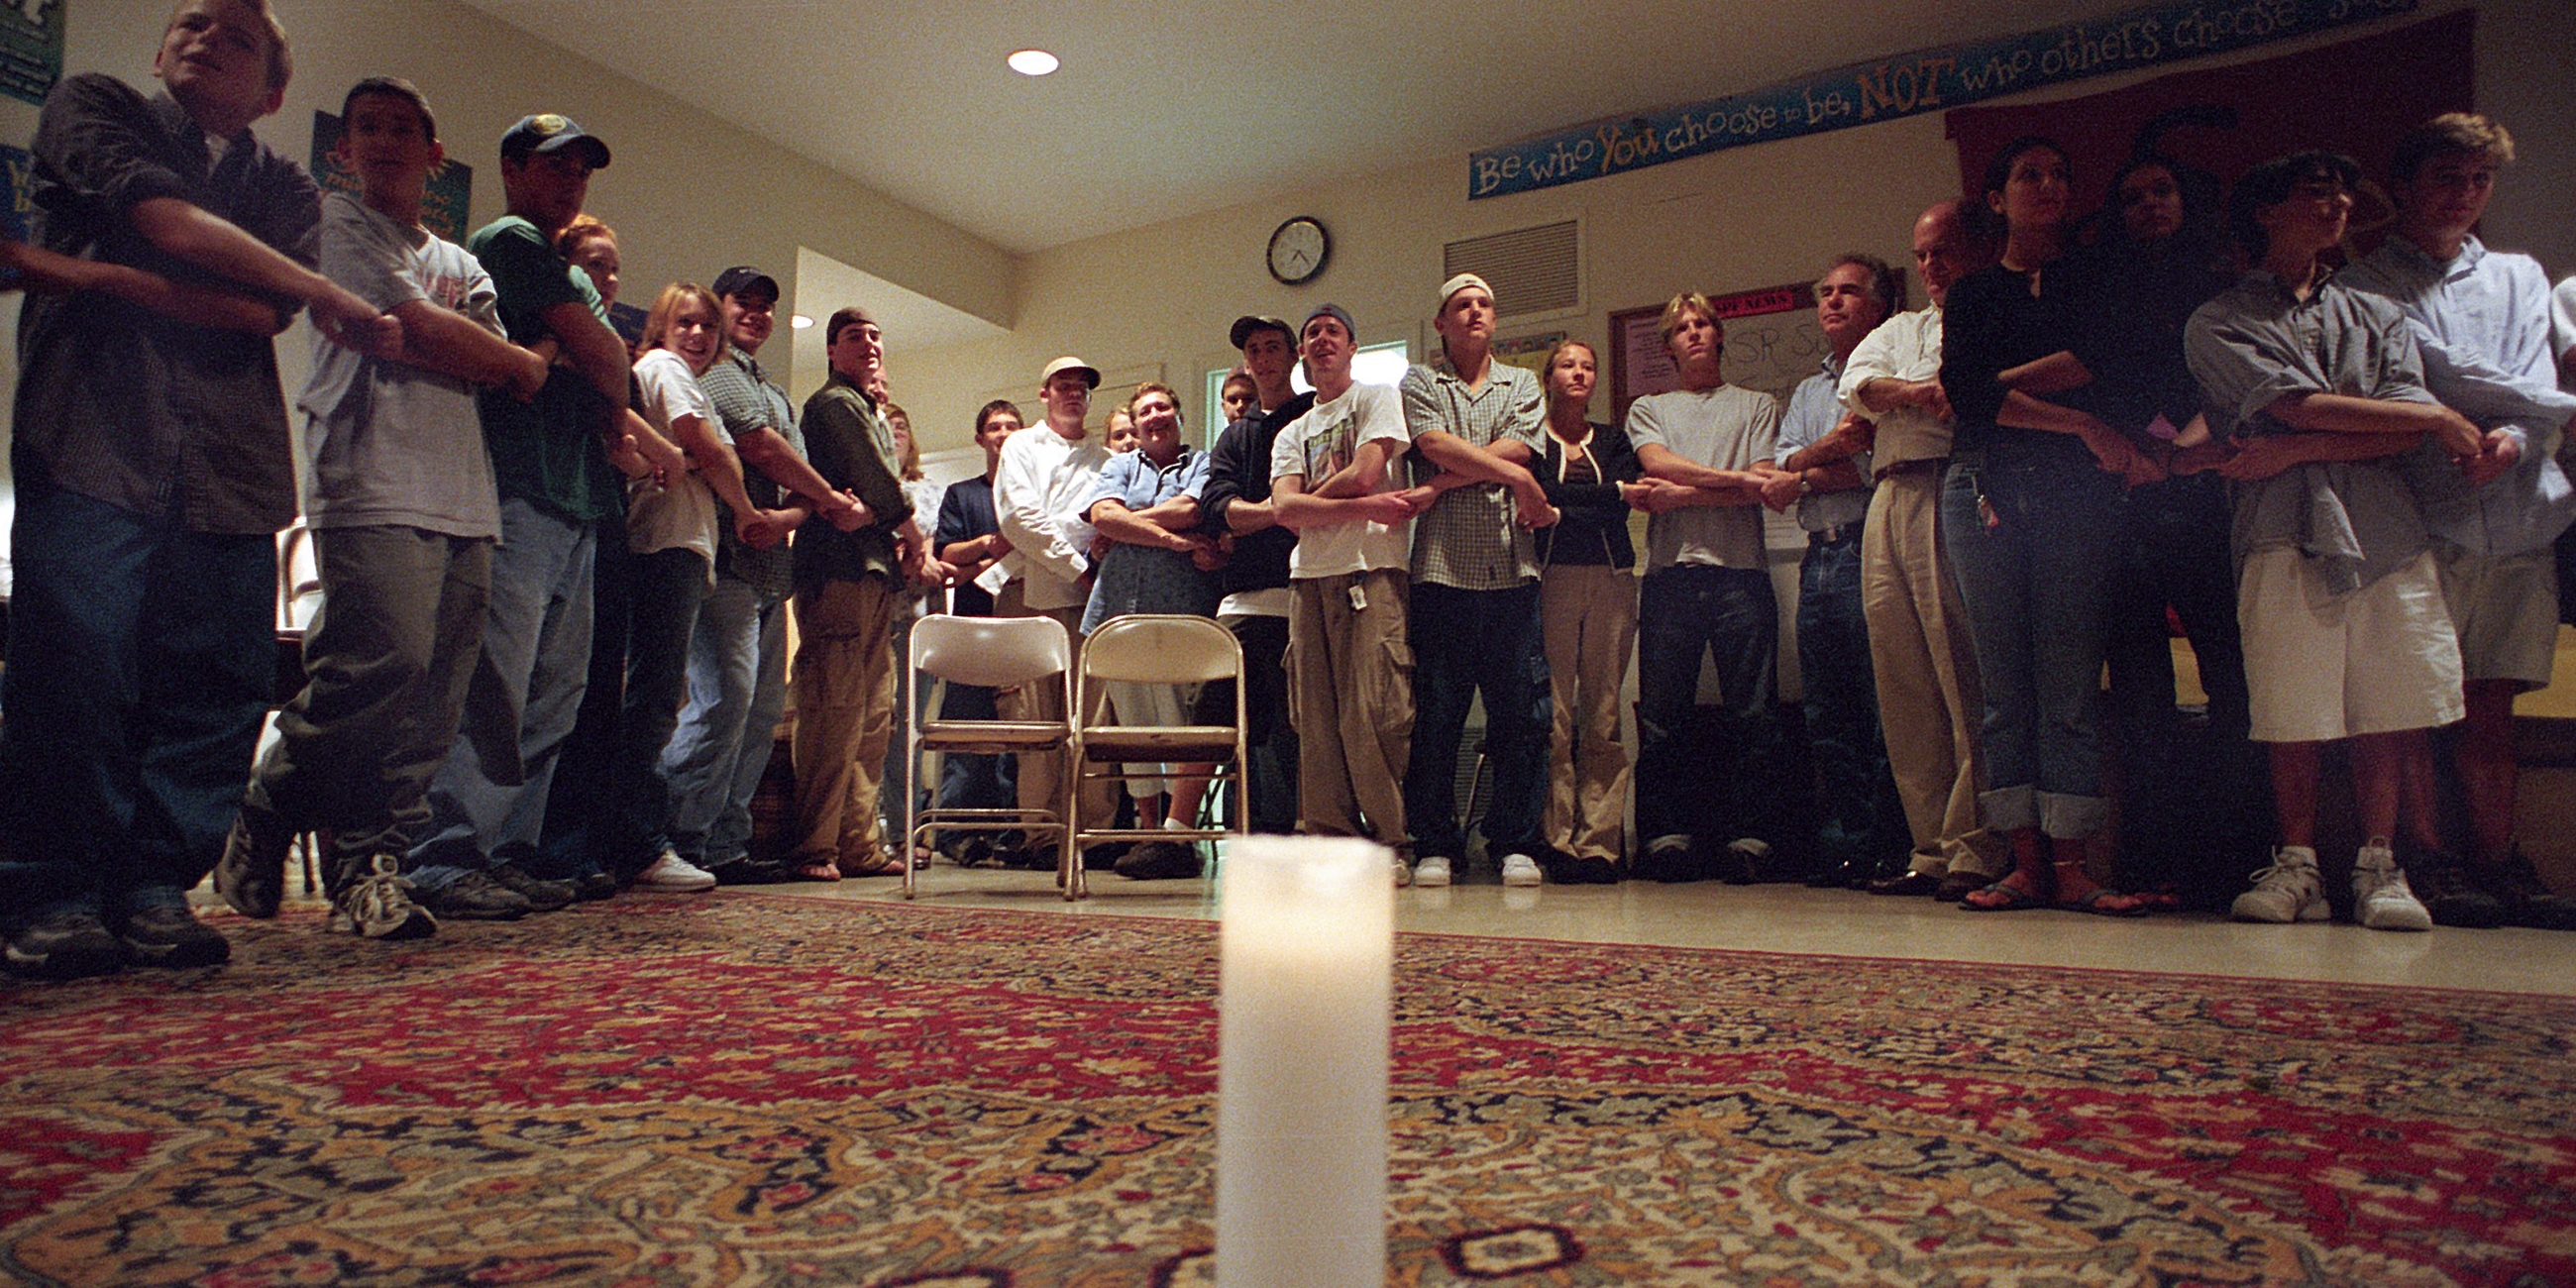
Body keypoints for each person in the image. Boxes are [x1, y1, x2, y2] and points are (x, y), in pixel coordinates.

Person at [1, 0, 401, 977]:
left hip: (228, 461)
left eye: (239, 33)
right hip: (93, 432)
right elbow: (169, 224)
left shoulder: (282, 185)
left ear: (269, 92)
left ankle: (151, 888)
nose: (208, 33)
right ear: (158, 49)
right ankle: (53, 892)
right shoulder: (91, 107)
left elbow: (252, 314)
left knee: (215, 683)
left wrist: (89, 275)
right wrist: (316, 292)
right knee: (78, 669)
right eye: (192, 21)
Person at [213, 74, 548, 942]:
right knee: (375, 669)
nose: (387, 141)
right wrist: (448, 336)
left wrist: (458, 340)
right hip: (367, 477)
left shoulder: (461, 262)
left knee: (435, 700)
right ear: (344, 148)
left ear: (435, 154)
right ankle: (268, 800)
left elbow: (505, 364)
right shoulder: (338, 222)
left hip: (465, 497)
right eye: (370, 128)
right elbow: (411, 326)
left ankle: (373, 868)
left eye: (405, 128)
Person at [2186, 150, 2479, 931]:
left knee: (2387, 702)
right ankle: (2299, 865)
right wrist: (2434, 418)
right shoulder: (2218, 321)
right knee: (2293, 702)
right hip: (2283, 531)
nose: (2337, 204)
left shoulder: (2378, 315)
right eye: (2316, 194)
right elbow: (2296, 408)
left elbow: (2388, 435)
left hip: (2386, 531)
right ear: (2264, 212)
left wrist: (2313, 444)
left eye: (2343, 193)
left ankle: (2379, 865)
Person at [405, 112, 684, 918]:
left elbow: (604, 380)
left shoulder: (557, 269)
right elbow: (608, 362)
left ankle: (509, 850)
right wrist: (587, 350)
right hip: (519, 489)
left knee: (555, 692)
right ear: (512, 168)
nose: (571, 182)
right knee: (498, 681)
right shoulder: (512, 241)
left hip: (573, 499)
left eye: (581, 172)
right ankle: (445, 855)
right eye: (555, 166)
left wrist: (586, 363)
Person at [2343, 114, 2576, 931]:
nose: (2465, 195)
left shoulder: (2519, 275)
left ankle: (2498, 860)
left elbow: (2525, 373)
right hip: (2424, 512)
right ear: (2403, 184)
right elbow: (2438, 374)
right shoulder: (2365, 284)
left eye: (2480, 181)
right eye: (2448, 176)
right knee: (2415, 698)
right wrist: (2542, 410)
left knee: (2491, 698)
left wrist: (2515, 433)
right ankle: (2428, 857)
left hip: (2520, 514)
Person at [1937, 137, 2149, 915]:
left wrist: (2003, 391)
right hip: (1981, 488)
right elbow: (1966, 394)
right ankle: (2023, 864)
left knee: (2067, 680)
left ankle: (2073, 863)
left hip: (2072, 496)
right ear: (1996, 198)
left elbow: (2107, 362)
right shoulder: (1972, 293)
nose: (2049, 185)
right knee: (2003, 687)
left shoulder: (2095, 277)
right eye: (2029, 174)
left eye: (2060, 173)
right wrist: (2084, 427)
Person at [2073, 154, 2261, 910]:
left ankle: (2237, 860)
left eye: (2162, 191)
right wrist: (2138, 449)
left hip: (2205, 499)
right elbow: (2104, 385)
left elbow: (2223, 389)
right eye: (2133, 198)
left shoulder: (2221, 285)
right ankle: (2149, 860)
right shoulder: (2105, 290)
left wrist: (2172, 448)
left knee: (2232, 684)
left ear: (2188, 200)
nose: (2149, 205)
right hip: (2121, 505)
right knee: (2142, 694)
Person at [665, 265, 865, 886]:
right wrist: (830, 502)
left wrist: (801, 510)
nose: (754, 314)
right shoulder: (717, 372)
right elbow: (760, 448)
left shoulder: (774, 389)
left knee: (758, 711)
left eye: (764, 306)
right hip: (726, 562)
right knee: (722, 702)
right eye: (741, 303)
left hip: (772, 569)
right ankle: (669, 839)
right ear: (720, 309)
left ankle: (725, 842)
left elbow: (795, 470)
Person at [600, 283, 799, 892]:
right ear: (662, 326)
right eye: (685, 323)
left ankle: (675, 837)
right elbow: (713, 449)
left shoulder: (685, 375)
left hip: (687, 545)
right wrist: (743, 507)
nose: (697, 335)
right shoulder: (664, 368)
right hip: (662, 545)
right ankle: (651, 838)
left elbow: (711, 455)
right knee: (665, 702)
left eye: (706, 328)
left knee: (676, 701)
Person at [1841, 201, 2006, 902]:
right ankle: (1931, 847)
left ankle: (1980, 842)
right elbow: (1859, 387)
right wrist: (1915, 393)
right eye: (1921, 256)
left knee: (1959, 668)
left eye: (1943, 250)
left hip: (1954, 486)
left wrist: (1907, 401)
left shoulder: (1991, 311)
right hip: (1889, 496)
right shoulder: (1900, 329)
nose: (1932, 266)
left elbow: (1971, 399)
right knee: (1904, 681)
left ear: (1976, 249)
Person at [1396, 273, 1556, 889]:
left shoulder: (1522, 382)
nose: (1474, 313)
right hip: (1440, 576)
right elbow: (1435, 442)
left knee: (1520, 717)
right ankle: (1436, 843)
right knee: (1438, 717)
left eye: (1484, 304)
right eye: (1461, 306)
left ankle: (1515, 841)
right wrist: (1510, 477)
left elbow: (1519, 449)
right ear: (1441, 324)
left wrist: (1442, 482)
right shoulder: (1419, 381)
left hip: (1512, 573)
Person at [1620, 292, 1786, 883]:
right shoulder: (1649, 408)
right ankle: (1666, 836)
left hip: (1742, 575)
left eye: (1701, 325)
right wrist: (1739, 481)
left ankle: (1753, 837)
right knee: (1663, 715)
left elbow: (1763, 485)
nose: (1692, 334)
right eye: (1681, 329)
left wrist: (1688, 495)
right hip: (1670, 579)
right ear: (1668, 346)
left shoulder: (1757, 405)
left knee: (1755, 713)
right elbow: (1658, 463)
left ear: (1718, 336)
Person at [1761, 256, 1908, 889]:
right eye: (1826, 293)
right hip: (1817, 556)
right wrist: (1832, 450)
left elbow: (1879, 467)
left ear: (1876, 307)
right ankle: (1847, 846)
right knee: (1827, 709)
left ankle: (1892, 847)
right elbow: (1779, 466)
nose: (1833, 302)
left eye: (1848, 292)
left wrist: (1808, 470)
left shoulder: (1893, 372)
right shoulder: (1809, 391)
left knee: (1884, 707)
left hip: (1872, 546)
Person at [1271, 304, 1427, 883]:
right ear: (1303, 355)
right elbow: (1285, 510)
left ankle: (1389, 842)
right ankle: (1330, 842)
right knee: (1314, 719)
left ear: (1352, 346)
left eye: (1333, 331)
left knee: (1374, 713)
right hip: (1307, 581)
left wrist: (1315, 501)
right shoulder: (1291, 430)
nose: (1322, 340)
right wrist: (1360, 507)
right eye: (1312, 334)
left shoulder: (1376, 399)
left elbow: (1365, 471)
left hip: (1372, 572)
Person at [791, 307, 935, 877]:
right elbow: (880, 477)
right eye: (855, 337)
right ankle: (814, 847)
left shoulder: (868, 407)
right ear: (831, 351)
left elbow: (875, 492)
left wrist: (874, 512)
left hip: (872, 571)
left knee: (876, 715)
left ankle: (859, 845)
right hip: (836, 572)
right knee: (835, 708)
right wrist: (913, 535)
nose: (870, 344)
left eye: (876, 335)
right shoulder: (835, 405)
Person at [1080, 383, 1226, 879]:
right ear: (1136, 425)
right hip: (1118, 611)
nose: (1154, 416)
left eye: (1163, 407)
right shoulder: (1120, 465)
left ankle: (1174, 835)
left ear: (1179, 416)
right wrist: (1168, 539)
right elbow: (1101, 514)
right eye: (1145, 411)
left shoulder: (1202, 462)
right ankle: (1148, 838)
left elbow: (1191, 509)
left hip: (1180, 612)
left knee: (1177, 723)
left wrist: (1126, 523)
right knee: (1134, 730)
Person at [993, 356, 1121, 867]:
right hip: (1038, 600)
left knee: (1093, 721)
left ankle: (1092, 833)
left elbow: (1108, 522)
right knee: (1039, 724)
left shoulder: (1106, 457)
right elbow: (1020, 519)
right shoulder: (1021, 445)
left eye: (1082, 388)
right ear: (1044, 395)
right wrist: (1078, 565)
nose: (1074, 394)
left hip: (1093, 602)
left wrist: (1090, 557)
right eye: (1063, 387)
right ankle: (1044, 836)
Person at [1199, 316, 1314, 837]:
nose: (1264, 357)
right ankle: (1184, 834)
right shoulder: (1234, 437)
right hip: (1243, 602)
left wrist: (1258, 515)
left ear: (1293, 357)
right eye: (1254, 350)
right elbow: (1218, 509)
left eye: (1273, 347)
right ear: (1246, 363)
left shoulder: (1317, 416)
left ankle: (1311, 830)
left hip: (1308, 595)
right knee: (1224, 723)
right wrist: (1279, 510)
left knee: (1301, 728)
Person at [1532, 340, 1638, 885]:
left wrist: (1564, 502)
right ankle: (1557, 839)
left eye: (1588, 366)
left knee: (1603, 711)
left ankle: (1600, 842)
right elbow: (1537, 494)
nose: (1579, 373)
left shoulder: (1616, 440)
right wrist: (1599, 494)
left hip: (1612, 581)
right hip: (1552, 581)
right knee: (1556, 713)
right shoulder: (1531, 441)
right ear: (1548, 377)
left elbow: (1621, 498)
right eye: (1568, 365)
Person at [927, 400, 1025, 863]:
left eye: (1010, 426)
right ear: (979, 438)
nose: (1002, 433)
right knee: (966, 736)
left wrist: (981, 562)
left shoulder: (1031, 496)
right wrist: (991, 545)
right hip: (970, 632)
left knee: (1018, 740)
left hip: (1023, 634)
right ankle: (955, 834)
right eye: (993, 427)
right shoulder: (962, 495)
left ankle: (1013, 834)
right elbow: (948, 558)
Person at [878, 401, 952, 862]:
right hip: (873, 611)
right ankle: (870, 829)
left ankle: (904, 829)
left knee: (908, 725)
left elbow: (940, 546)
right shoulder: (868, 486)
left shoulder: (930, 490)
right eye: (886, 426)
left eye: (902, 425)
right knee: (873, 723)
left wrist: (923, 556)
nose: (895, 432)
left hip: (919, 619)